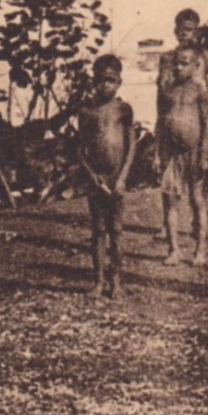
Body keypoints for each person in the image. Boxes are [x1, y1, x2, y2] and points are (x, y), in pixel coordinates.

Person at [159, 9, 208, 234]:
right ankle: (167, 226)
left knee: (204, 170)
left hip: (200, 119)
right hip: (173, 117)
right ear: (175, 31)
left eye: (190, 30)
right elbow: (161, 94)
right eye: (182, 30)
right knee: (170, 174)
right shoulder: (168, 59)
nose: (185, 35)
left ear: (196, 32)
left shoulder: (202, 57)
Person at [73, 54, 136, 298]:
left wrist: (122, 179)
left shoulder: (123, 109)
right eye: (101, 80)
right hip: (96, 180)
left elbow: (131, 146)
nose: (106, 85)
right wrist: (92, 177)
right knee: (98, 230)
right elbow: (80, 150)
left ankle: (116, 281)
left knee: (117, 230)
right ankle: (98, 281)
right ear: (94, 82)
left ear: (119, 81)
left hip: (116, 178)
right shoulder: (87, 112)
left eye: (111, 80)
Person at [156, 46, 208, 266]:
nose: (179, 67)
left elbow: (207, 124)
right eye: (177, 63)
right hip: (172, 154)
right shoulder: (168, 90)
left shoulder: (199, 91)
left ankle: (199, 251)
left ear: (195, 66)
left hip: (194, 153)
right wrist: (158, 153)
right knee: (169, 201)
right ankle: (174, 250)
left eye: (185, 63)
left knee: (198, 200)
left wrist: (204, 154)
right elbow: (160, 122)